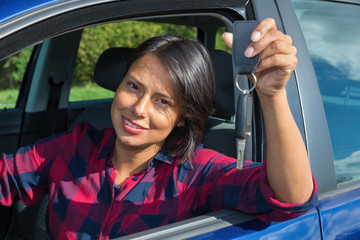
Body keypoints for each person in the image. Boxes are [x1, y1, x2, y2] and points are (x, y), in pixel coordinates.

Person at [0, 18, 317, 239]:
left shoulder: (197, 174)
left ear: (181, 117)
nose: (138, 109)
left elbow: (291, 197)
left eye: (163, 102)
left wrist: (272, 96)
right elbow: (7, 175)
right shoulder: (77, 144)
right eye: (134, 86)